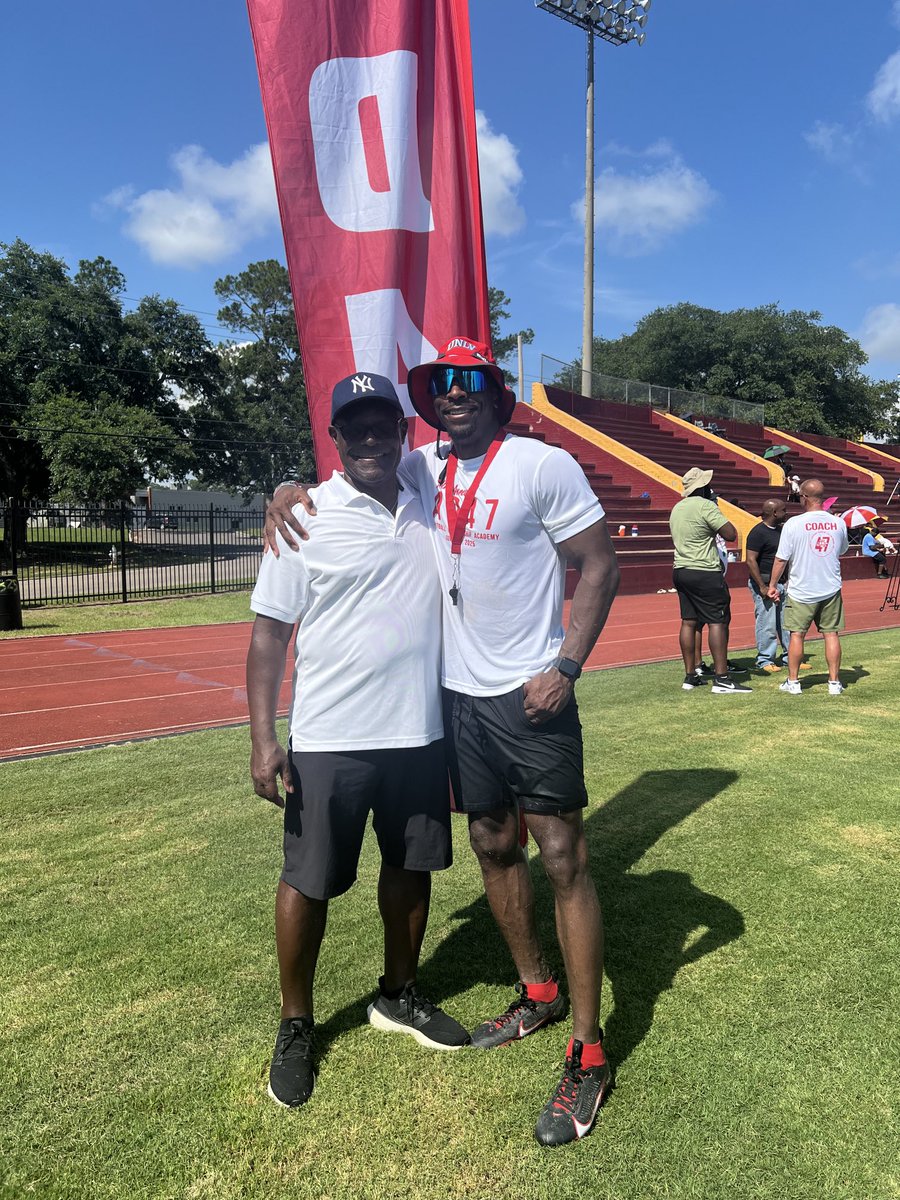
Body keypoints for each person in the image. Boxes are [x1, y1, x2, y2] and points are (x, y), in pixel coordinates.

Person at [267, 336, 621, 1147]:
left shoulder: (540, 463)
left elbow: (598, 566)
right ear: (425, 401)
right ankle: (537, 992)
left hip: (532, 694)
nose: (455, 393)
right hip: (456, 701)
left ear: (494, 390)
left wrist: (566, 665)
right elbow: (343, 473)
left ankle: (589, 1051)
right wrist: (284, 488)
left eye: (470, 380)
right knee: (495, 845)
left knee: (562, 856)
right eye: (439, 383)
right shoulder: (422, 467)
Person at [247, 372, 469, 1111]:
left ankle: (398, 993)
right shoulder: (302, 518)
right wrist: (262, 736)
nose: (372, 437)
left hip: (419, 731)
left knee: (411, 869)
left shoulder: (428, 501)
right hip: (329, 737)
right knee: (309, 882)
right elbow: (269, 637)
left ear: (403, 434)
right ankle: (295, 1023)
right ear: (335, 439)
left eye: (384, 425)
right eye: (357, 427)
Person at [668, 468, 751, 694]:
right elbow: (731, 533)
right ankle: (722, 678)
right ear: (703, 487)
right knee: (718, 621)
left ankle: (690, 675)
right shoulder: (706, 506)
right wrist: (716, 510)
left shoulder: (677, 507)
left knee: (689, 621)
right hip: (704, 569)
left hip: (681, 568)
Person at [767, 478, 849, 695]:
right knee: (831, 634)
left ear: (804, 497)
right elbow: (841, 550)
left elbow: (781, 559)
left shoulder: (794, 524)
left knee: (797, 635)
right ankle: (834, 683)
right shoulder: (838, 523)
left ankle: (793, 682)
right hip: (830, 586)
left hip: (801, 588)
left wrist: (773, 584)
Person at [745, 499, 790, 672]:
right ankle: (765, 660)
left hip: (780, 582)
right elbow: (750, 560)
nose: (786, 513)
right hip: (763, 583)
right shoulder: (758, 532)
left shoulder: (781, 531)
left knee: (786, 623)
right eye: (783, 510)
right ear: (774, 513)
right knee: (767, 622)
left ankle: (789, 657)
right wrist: (762, 587)